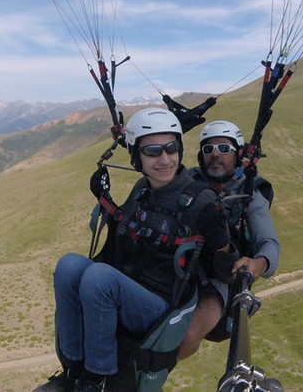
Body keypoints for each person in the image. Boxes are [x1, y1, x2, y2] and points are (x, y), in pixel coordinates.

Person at [34, 108, 238, 392]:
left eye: (171, 148)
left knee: (99, 278)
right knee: (69, 265)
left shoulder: (202, 201)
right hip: (129, 288)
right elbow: (126, 237)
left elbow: (225, 273)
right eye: (153, 151)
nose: (165, 159)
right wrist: (105, 202)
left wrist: (222, 242)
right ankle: (72, 369)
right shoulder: (143, 190)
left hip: (162, 306)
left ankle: (98, 380)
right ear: (136, 157)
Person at [176, 120, 281, 361]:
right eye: (208, 149)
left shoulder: (249, 195)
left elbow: (269, 242)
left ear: (237, 155)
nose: (215, 155)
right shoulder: (187, 181)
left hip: (218, 277)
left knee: (188, 335)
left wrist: (259, 264)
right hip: (179, 263)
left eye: (224, 149)